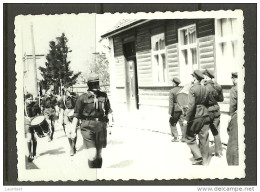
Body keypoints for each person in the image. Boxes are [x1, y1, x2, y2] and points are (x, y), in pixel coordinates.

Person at [71, 73, 113, 168]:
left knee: (98, 155)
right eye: (92, 83)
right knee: (92, 154)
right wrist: (73, 130)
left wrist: (110, 125)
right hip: (87, 127)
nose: (95, 85)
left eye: (96, 83)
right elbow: (76, 115)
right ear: (89, 85)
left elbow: (109, 111)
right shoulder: (82, 98)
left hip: (101, 126)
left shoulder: (104, 96)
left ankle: (98, 175)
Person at [183, 70, 210, 165]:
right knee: (204, 138)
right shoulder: (206, 89)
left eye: (192, 77)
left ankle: (198, 157)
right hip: (206, 115)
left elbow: (191, 105)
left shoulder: (192, 89)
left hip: (196, 115)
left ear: (194, 78)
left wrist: (186, 119)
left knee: (189, 136)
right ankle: (205, 161)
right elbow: (208, 103)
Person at [203, 69, 224, 157]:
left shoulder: (204, 87)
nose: (203, 78)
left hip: (207, 111)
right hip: (216, 110)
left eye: (204, 76)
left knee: (205, 132)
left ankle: (205, 153)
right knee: (216, 131)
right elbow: (221, 99)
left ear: (207, 77)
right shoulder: (218, 86)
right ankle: (218, 151)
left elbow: (202, 100)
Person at [58, 83, 78, 156]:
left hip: (74, 114)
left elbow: (79, 106)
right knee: (68, 133)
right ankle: (71, 147)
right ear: (65, 89)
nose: (69, 89)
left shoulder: (76, 96)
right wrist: (61, 119)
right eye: (68, 88)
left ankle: (73, 146)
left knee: (74, 131)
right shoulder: (62, 98)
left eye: (70, 87)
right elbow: (62, 109)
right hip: (66, 115)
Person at [24, 93, 41, 162]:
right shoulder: (23, 106)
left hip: (34, 122)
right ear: (26, 100)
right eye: (29, 99)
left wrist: (37, 117)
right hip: (27, 122)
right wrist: (26, 118)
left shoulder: (35, 104)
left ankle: (34, 153)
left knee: (34, 138)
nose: (30, 101)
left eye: (31, 99)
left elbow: (39, 113)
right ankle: (29, 154)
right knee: (29, 137)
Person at [226, 72, 238, 165]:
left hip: (237, 116)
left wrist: (230, 116)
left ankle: (233, 163)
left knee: (233, 143)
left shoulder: (234, 89)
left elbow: (233, 105)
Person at [168, 77, 186, 142]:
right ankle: (184, 138)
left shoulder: (172, 91)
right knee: (182, 122)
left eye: (172, 82)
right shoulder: (182, 89)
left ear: (174, 83)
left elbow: (171, 103)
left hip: (175, 109)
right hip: (182, 108)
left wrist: (170, 113)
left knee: (172, 122)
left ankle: (176, 137)